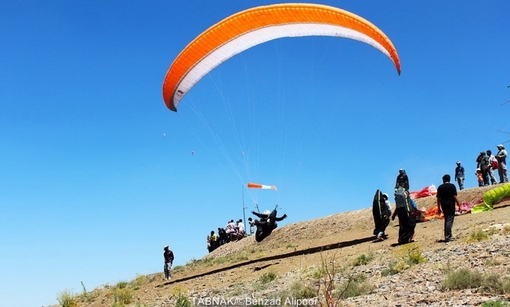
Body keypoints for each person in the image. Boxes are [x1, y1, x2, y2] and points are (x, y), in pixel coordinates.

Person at [436, 174, 460, 243]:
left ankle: (447, 235)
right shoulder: (452, 186)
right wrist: (459, 204)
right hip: (450, 204)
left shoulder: (440, 187)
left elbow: (438, 199)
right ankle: (448, 237)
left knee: (447, 219)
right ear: (449, 179)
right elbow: (454, 196)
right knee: (450, 219)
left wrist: (438, 208)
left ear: (443, 180)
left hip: (443, 205)